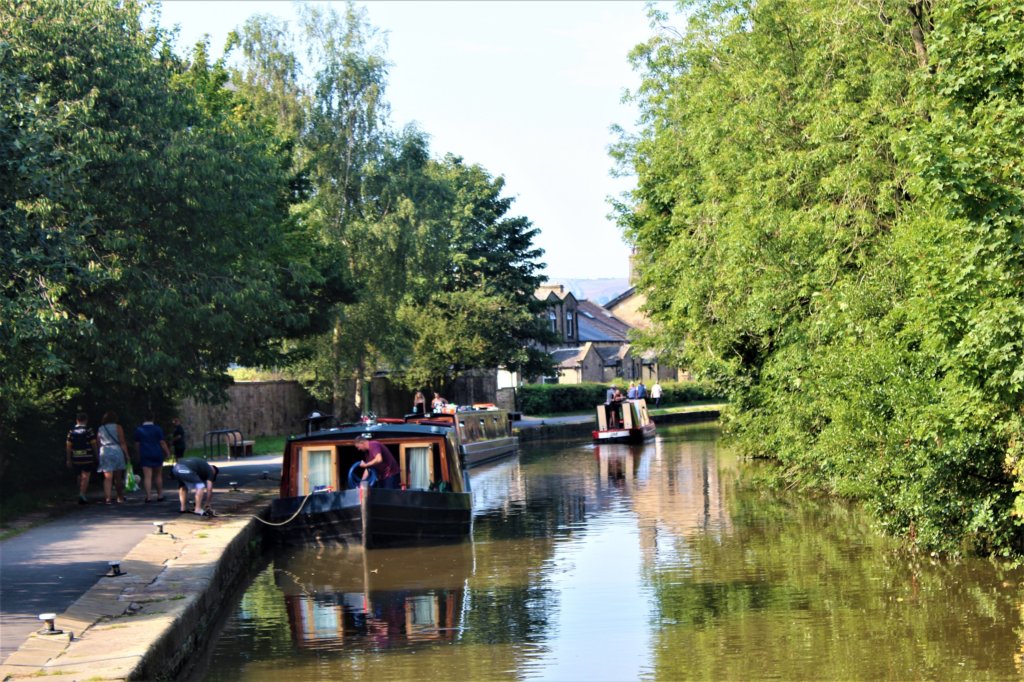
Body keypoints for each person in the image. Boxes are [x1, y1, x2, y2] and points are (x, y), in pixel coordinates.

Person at [135, 413, 171, 503]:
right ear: (153, 419)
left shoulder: (139, 430)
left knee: (147, 476)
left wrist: (138, 454)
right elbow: (162, 442)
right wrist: (167, 452)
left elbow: (137, 444)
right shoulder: (157, 429)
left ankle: (148, 496)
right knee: (158, 475)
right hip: (157, 453)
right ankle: (160, 495)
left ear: (144, 418)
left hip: (145, 453)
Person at [97, 411, 129, 504]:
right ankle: (120, 497)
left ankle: (108, 498)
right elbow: (122, 442)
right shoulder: (118, 427)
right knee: (118, 476)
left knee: (107, 477)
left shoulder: (101, 428)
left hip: (105, 451)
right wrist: (126, 454)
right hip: (116, 450)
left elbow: (98, 442)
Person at [66, 412, 98, 504]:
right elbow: (93, 444)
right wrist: (96, 455)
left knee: (79, 475)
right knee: (86, 475)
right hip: (87, 456)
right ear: (86, 420)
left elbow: (68, 446)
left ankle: (80, 492)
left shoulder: (71, 431)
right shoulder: (89, 430)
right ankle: (82, 494)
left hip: (75, 456)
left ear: (77, 420)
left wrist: (68, 459)